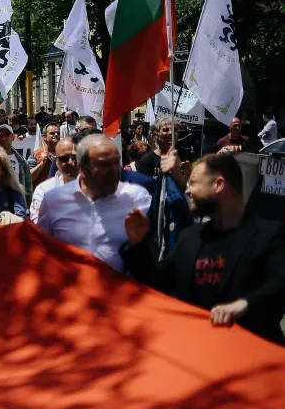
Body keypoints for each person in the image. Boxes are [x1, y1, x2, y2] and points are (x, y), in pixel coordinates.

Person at [122, 153, 285, 344]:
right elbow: (157, 282)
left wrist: (245, 304)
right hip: (196, 349)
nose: (188, 190)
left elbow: (279, 284)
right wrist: (137, 243)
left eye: (194, 183)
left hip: (251, 353)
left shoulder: (269, 235)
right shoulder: (190, 238)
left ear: (219, 185)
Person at [37, 134, 151, 272]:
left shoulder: (136, 198)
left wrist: (139, 242)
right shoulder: (53, 201)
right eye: (104, 164)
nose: (114, 171)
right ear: (83, 168)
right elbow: (41, 253)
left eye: (116, 162)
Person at [29, 137, 78, 223]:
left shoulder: (94, 189)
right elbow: (38, 224)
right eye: (64, 158)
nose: (70, 162)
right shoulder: (44, 190)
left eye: (74, 157)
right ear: (57, 162)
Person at [136, 119, 186, 189]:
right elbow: (141, 189)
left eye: (175, 130)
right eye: (166, 130)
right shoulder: (147, 160)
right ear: (155, 135)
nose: (171, 133)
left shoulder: (184, 156)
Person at [0, 124, 34, 202]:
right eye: (0, 135)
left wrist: (28, 207)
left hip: (17, 204)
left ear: (13, 137)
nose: (4, 138)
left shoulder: (22, 162)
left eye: (7, 135)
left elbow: (28, 187)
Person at [30, 122, 60, 187]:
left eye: (58, 133)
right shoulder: (36, 154)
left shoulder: (65, 153)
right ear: (44, 137)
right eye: (52, 133)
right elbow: (29, 178)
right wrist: (42, 164)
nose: (56, 135)